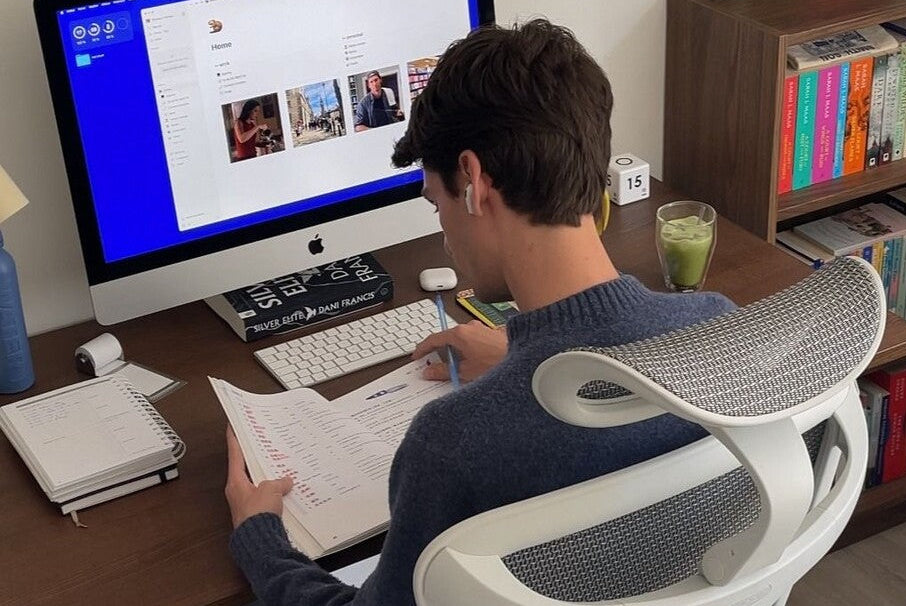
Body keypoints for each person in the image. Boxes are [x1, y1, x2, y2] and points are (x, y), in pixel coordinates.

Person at [224, 19, 737, 606]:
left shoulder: (452, 446)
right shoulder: (720, 329)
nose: (441, 228)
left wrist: (259, 535)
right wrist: (522, 354)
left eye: (435, 200)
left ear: (472, 181)